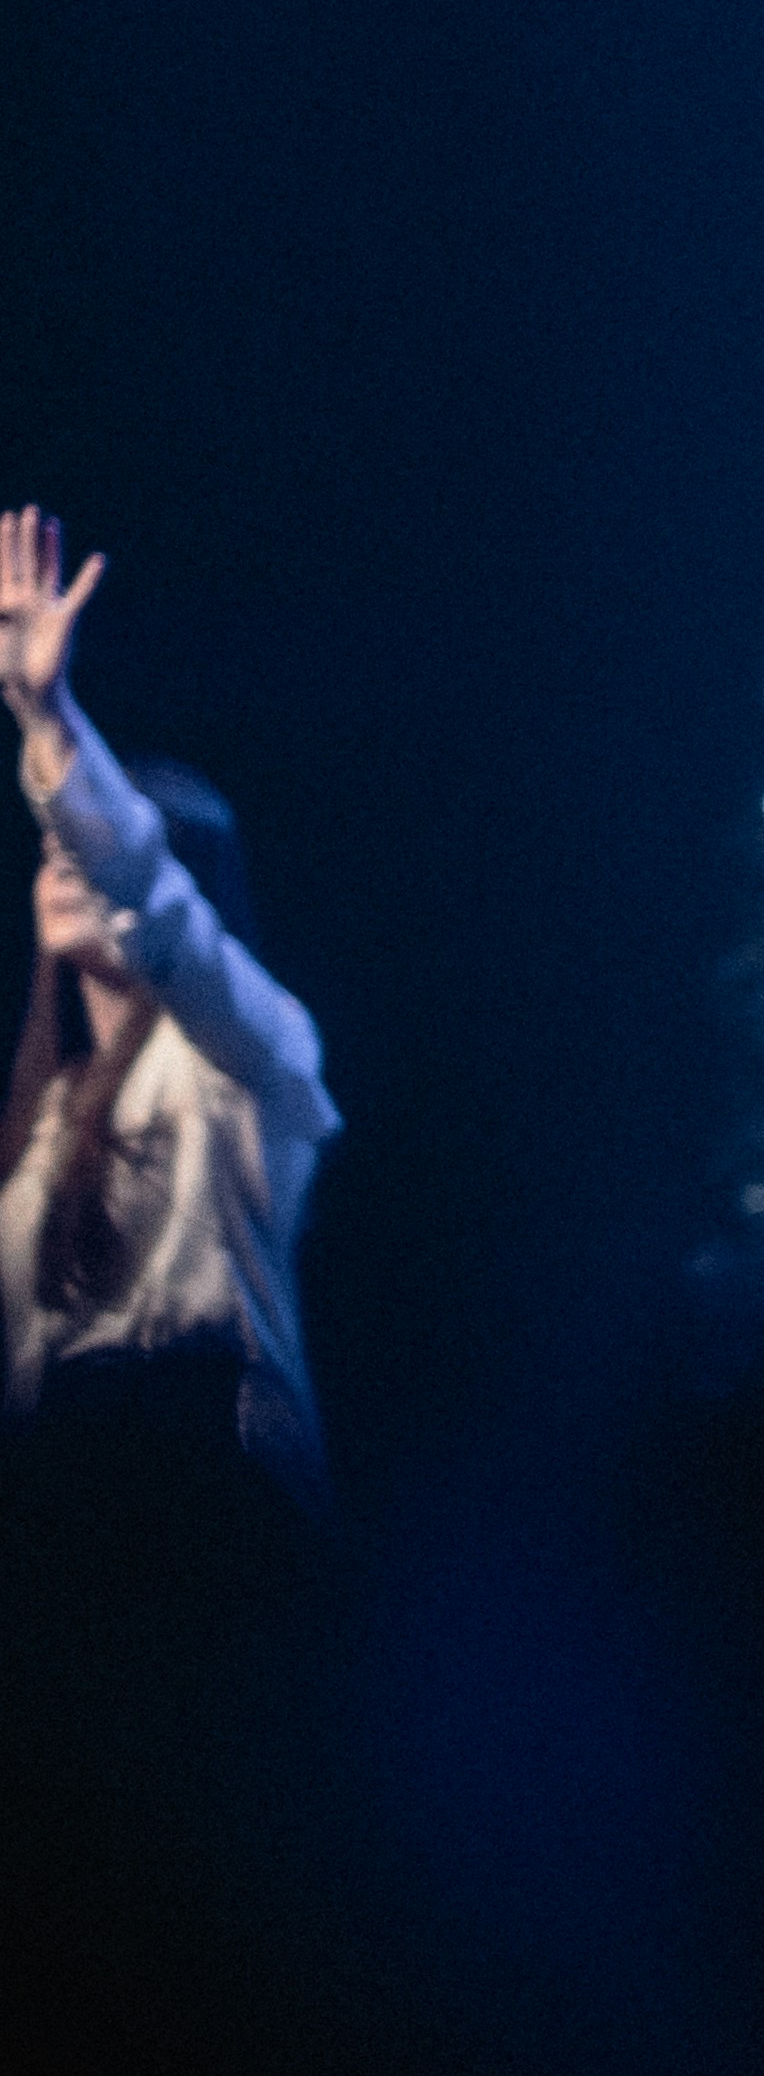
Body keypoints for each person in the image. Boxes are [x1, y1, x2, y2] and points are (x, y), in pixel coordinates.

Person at [2, 506, 335, 1500]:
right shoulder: (45, 1112)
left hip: (206, 1471)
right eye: (53, 847)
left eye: (85, 846)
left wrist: (46, 718)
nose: (66, 862)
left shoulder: (251, 1054)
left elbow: (155, 901)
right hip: (61, 1490)